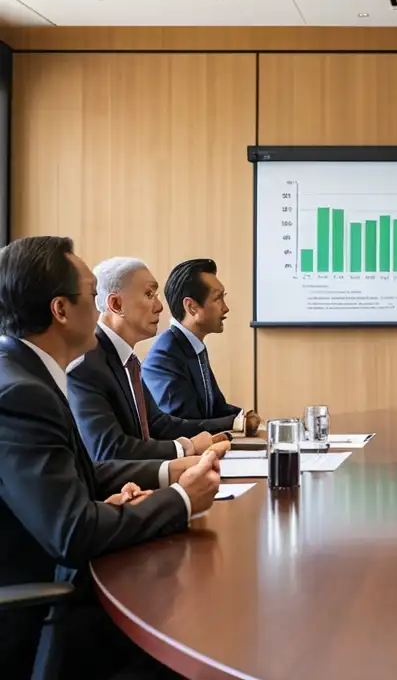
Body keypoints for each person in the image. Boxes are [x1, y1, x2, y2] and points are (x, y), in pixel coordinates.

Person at [0, 236, 221, 678]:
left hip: (64, 585)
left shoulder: (28, 373)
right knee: (194, 633)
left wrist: (149, 482)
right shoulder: (20, 393)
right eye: (92, 295)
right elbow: (72, 531)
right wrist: (181, 498)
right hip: (45, 617)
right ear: (61, 310)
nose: (102, 308)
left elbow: (79, 476)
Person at [68, 258, 238, 463]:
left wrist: (225, 428)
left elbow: (159, 424)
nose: (159, 307)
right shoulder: (85, 364)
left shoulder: (128, 360)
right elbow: (109, 450)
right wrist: (187, 447)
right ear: (116, 304)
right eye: (149, 294)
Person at [143, 258, 260, 433]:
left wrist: (245, 417)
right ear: (191, 307)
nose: (226, 308)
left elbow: (215, 408)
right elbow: (183, 423)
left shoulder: (193, 346)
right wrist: (237, 423)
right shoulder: (164, 355)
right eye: (218, 298)